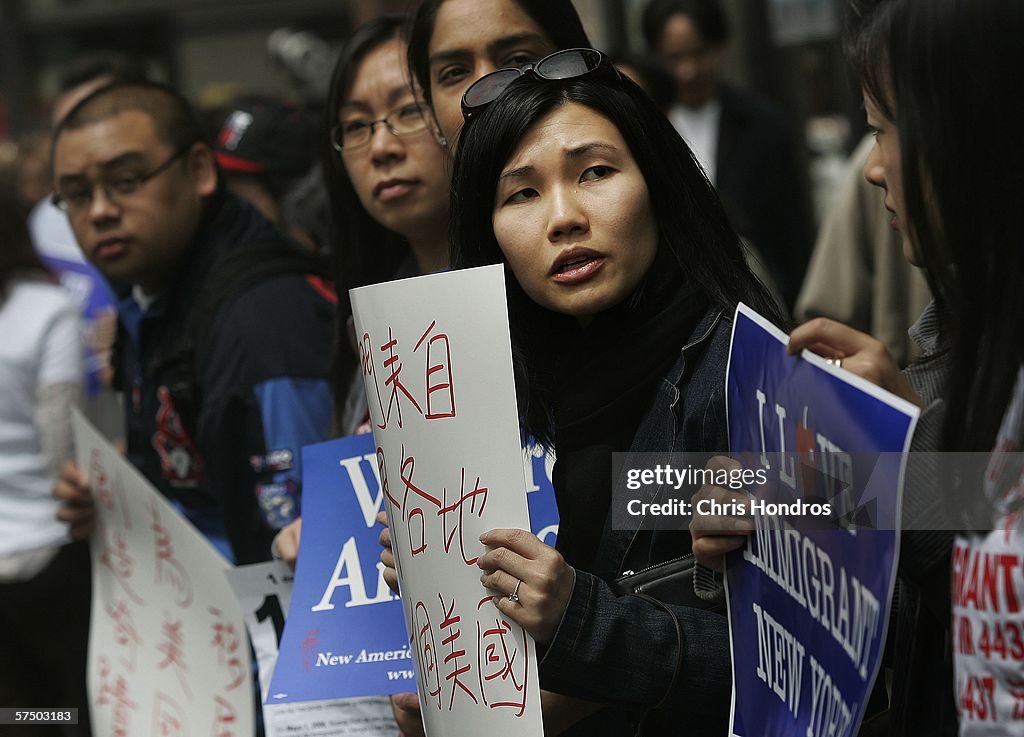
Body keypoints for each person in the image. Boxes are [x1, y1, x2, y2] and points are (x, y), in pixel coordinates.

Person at [381, 49, 781, 735]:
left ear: (655, 183)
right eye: (522, 193)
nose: (563, 216)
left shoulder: (740, 370)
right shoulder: (489, 393)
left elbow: (791, 662)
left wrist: (582, 617)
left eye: (594, 172)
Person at [50, 81, 334, 565]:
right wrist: (116, 495)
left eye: (126, 181)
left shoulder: (265, 321)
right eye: (76, 194)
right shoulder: (152, 291)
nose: (99, 211)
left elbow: (310, 538)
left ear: (200, 170)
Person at [641, 0, 812, 310]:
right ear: (656, 56)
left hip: (758, 298)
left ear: (721, 48)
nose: (688, 71)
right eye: (674, 57)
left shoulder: (763, 123)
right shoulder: (644, 126)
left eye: (699, 54)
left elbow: (791, 228)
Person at [0, 185, 91, 736]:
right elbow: (63, 443)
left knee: (22, 713)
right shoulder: (48, 310)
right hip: (51, 552)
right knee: (76, 701)